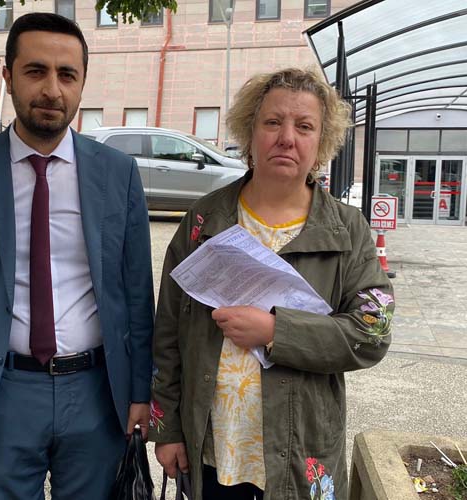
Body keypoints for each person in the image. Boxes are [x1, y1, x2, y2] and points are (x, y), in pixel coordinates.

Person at [0, 13, 155, 499]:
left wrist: (141, 392)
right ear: (8, 77)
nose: (52, 89)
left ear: (82, 83)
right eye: (36, 71)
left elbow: (137, 294)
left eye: (67, 74)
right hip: (1, 392)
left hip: (97, 395)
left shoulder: (118, 173)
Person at [149, 68, 394, 500]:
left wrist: (277, 331)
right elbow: (168, 332)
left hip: (300, 458)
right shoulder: (204, 221)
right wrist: (167, 429)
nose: (287, 138)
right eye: (273, 122)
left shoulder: (347, 230)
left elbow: (373, 332)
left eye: (304, 127)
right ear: (250, 132)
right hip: (212, 451)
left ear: (321, 143)